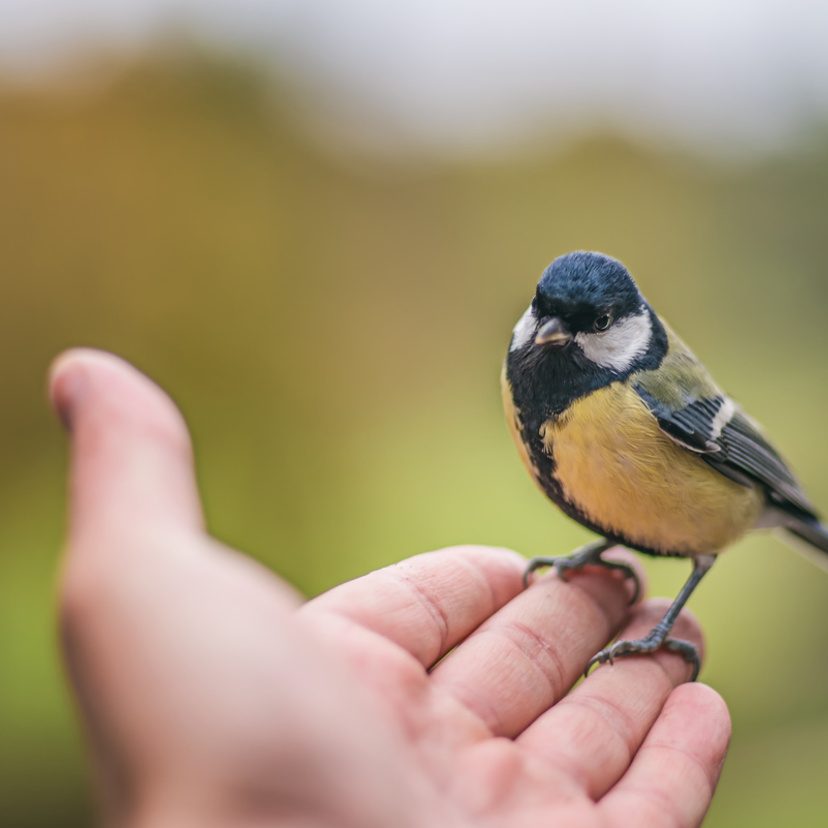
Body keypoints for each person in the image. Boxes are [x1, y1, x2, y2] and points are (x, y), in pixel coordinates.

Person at [49, 348, 730, 827]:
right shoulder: (529, 371)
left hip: (720, 507)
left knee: (683, 563)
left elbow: (731, 448)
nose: (556, 338)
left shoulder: (653, 387)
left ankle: (663, 627)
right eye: (547, 320)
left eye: (587, 326)